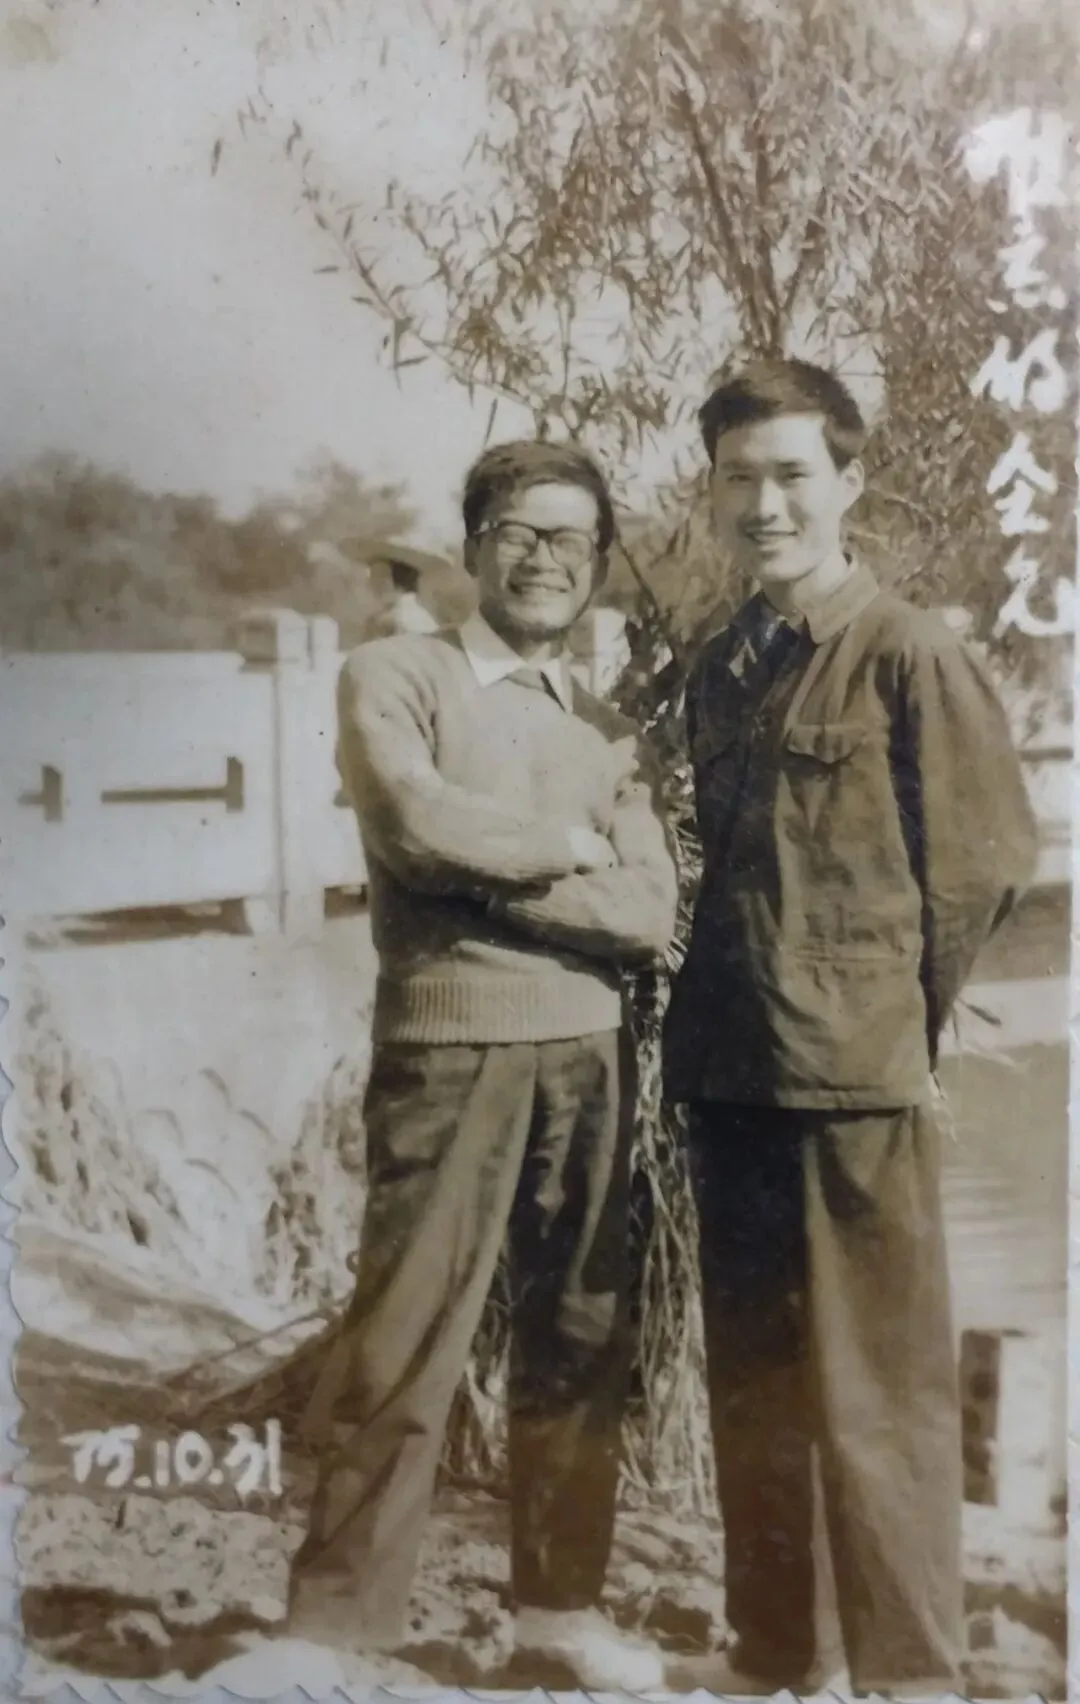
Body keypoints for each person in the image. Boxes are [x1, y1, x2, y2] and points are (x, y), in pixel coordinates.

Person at [662, 358, 1038, 1697]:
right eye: (738, 480)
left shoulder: (907, 652)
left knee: (880, 1391)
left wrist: (886, 1017)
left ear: (849, 483)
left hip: (854, 1077)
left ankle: (907, 1672)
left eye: (791, 476)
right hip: (731, 1070)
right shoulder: (725, 666)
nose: (764, 506)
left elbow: (983, 865)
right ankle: (780, 1654)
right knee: (756, 1381)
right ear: (712, 494)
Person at [291, 439, 678, 1690]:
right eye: (519, 531)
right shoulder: (394, 674)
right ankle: (335, 1631)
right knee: (406, 1335)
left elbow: (647, 913)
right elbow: (415, 823)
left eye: (572, 539)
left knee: (580, 1337)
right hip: (447, 1045)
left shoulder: (610, 730)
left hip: (590, 1054)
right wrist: (567, 846)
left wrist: (481, 883)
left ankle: (558, 1617)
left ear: (599, 563)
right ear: (471, 548)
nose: (545, 559)